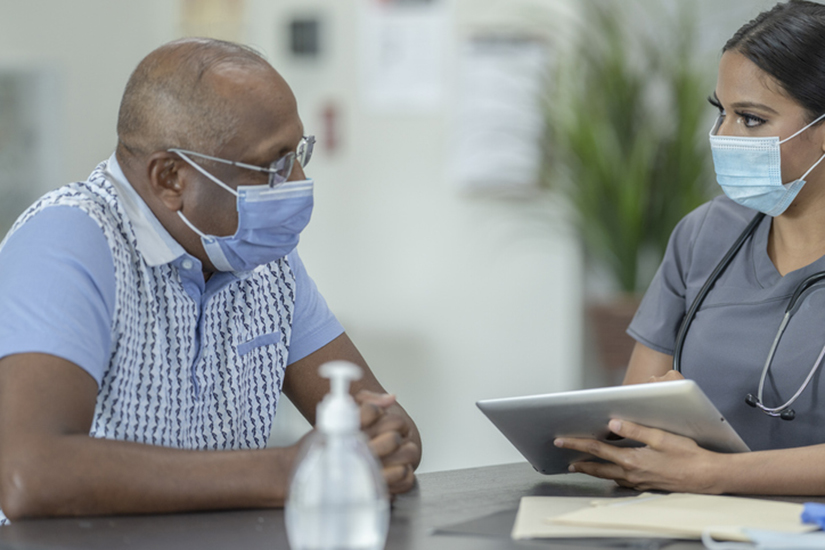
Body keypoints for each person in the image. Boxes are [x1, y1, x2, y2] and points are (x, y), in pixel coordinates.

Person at [0, 38, 421, 522]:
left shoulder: (263, 259)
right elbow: (30, 474)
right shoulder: (70, 238)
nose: (299, 179)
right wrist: (286, 471)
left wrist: (385, 443)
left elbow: (388, 427)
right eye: (272, 165)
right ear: (171, 178)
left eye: (298, 152)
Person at [554, 0, 825, 495]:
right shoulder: (706, 233)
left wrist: (714, 475)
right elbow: (635, 414)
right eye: (721, 112)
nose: (721, 136)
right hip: (691, 524)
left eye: (750, 119)